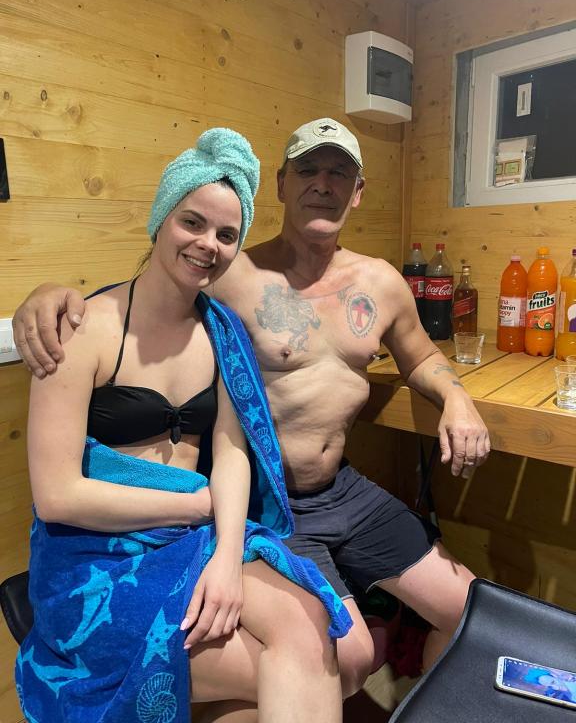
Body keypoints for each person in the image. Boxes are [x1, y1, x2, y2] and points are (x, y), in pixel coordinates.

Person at [14, 117, 491, 721]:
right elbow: (141, 291)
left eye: (339, 173)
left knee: (477, 615)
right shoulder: (231, 278)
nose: (323, 184)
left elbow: (420, 355)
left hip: (335, 490)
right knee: (344, 656)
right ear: (283, 185)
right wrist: (46, 294)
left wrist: (458, 398)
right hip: (263, 504)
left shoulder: (376, 284)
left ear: (358, 191)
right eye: (309, 170)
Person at [15, 128, 353, 723]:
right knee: (293, 669)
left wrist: (226, 560)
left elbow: (231, 451)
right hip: (96, 557)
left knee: (314, 632)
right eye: (192, 222)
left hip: (194, 538)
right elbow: (58, 497)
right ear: (161, 218)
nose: (207, 245)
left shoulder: (221, 332)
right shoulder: (84, 329)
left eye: (227, 234)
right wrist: (199, 506)